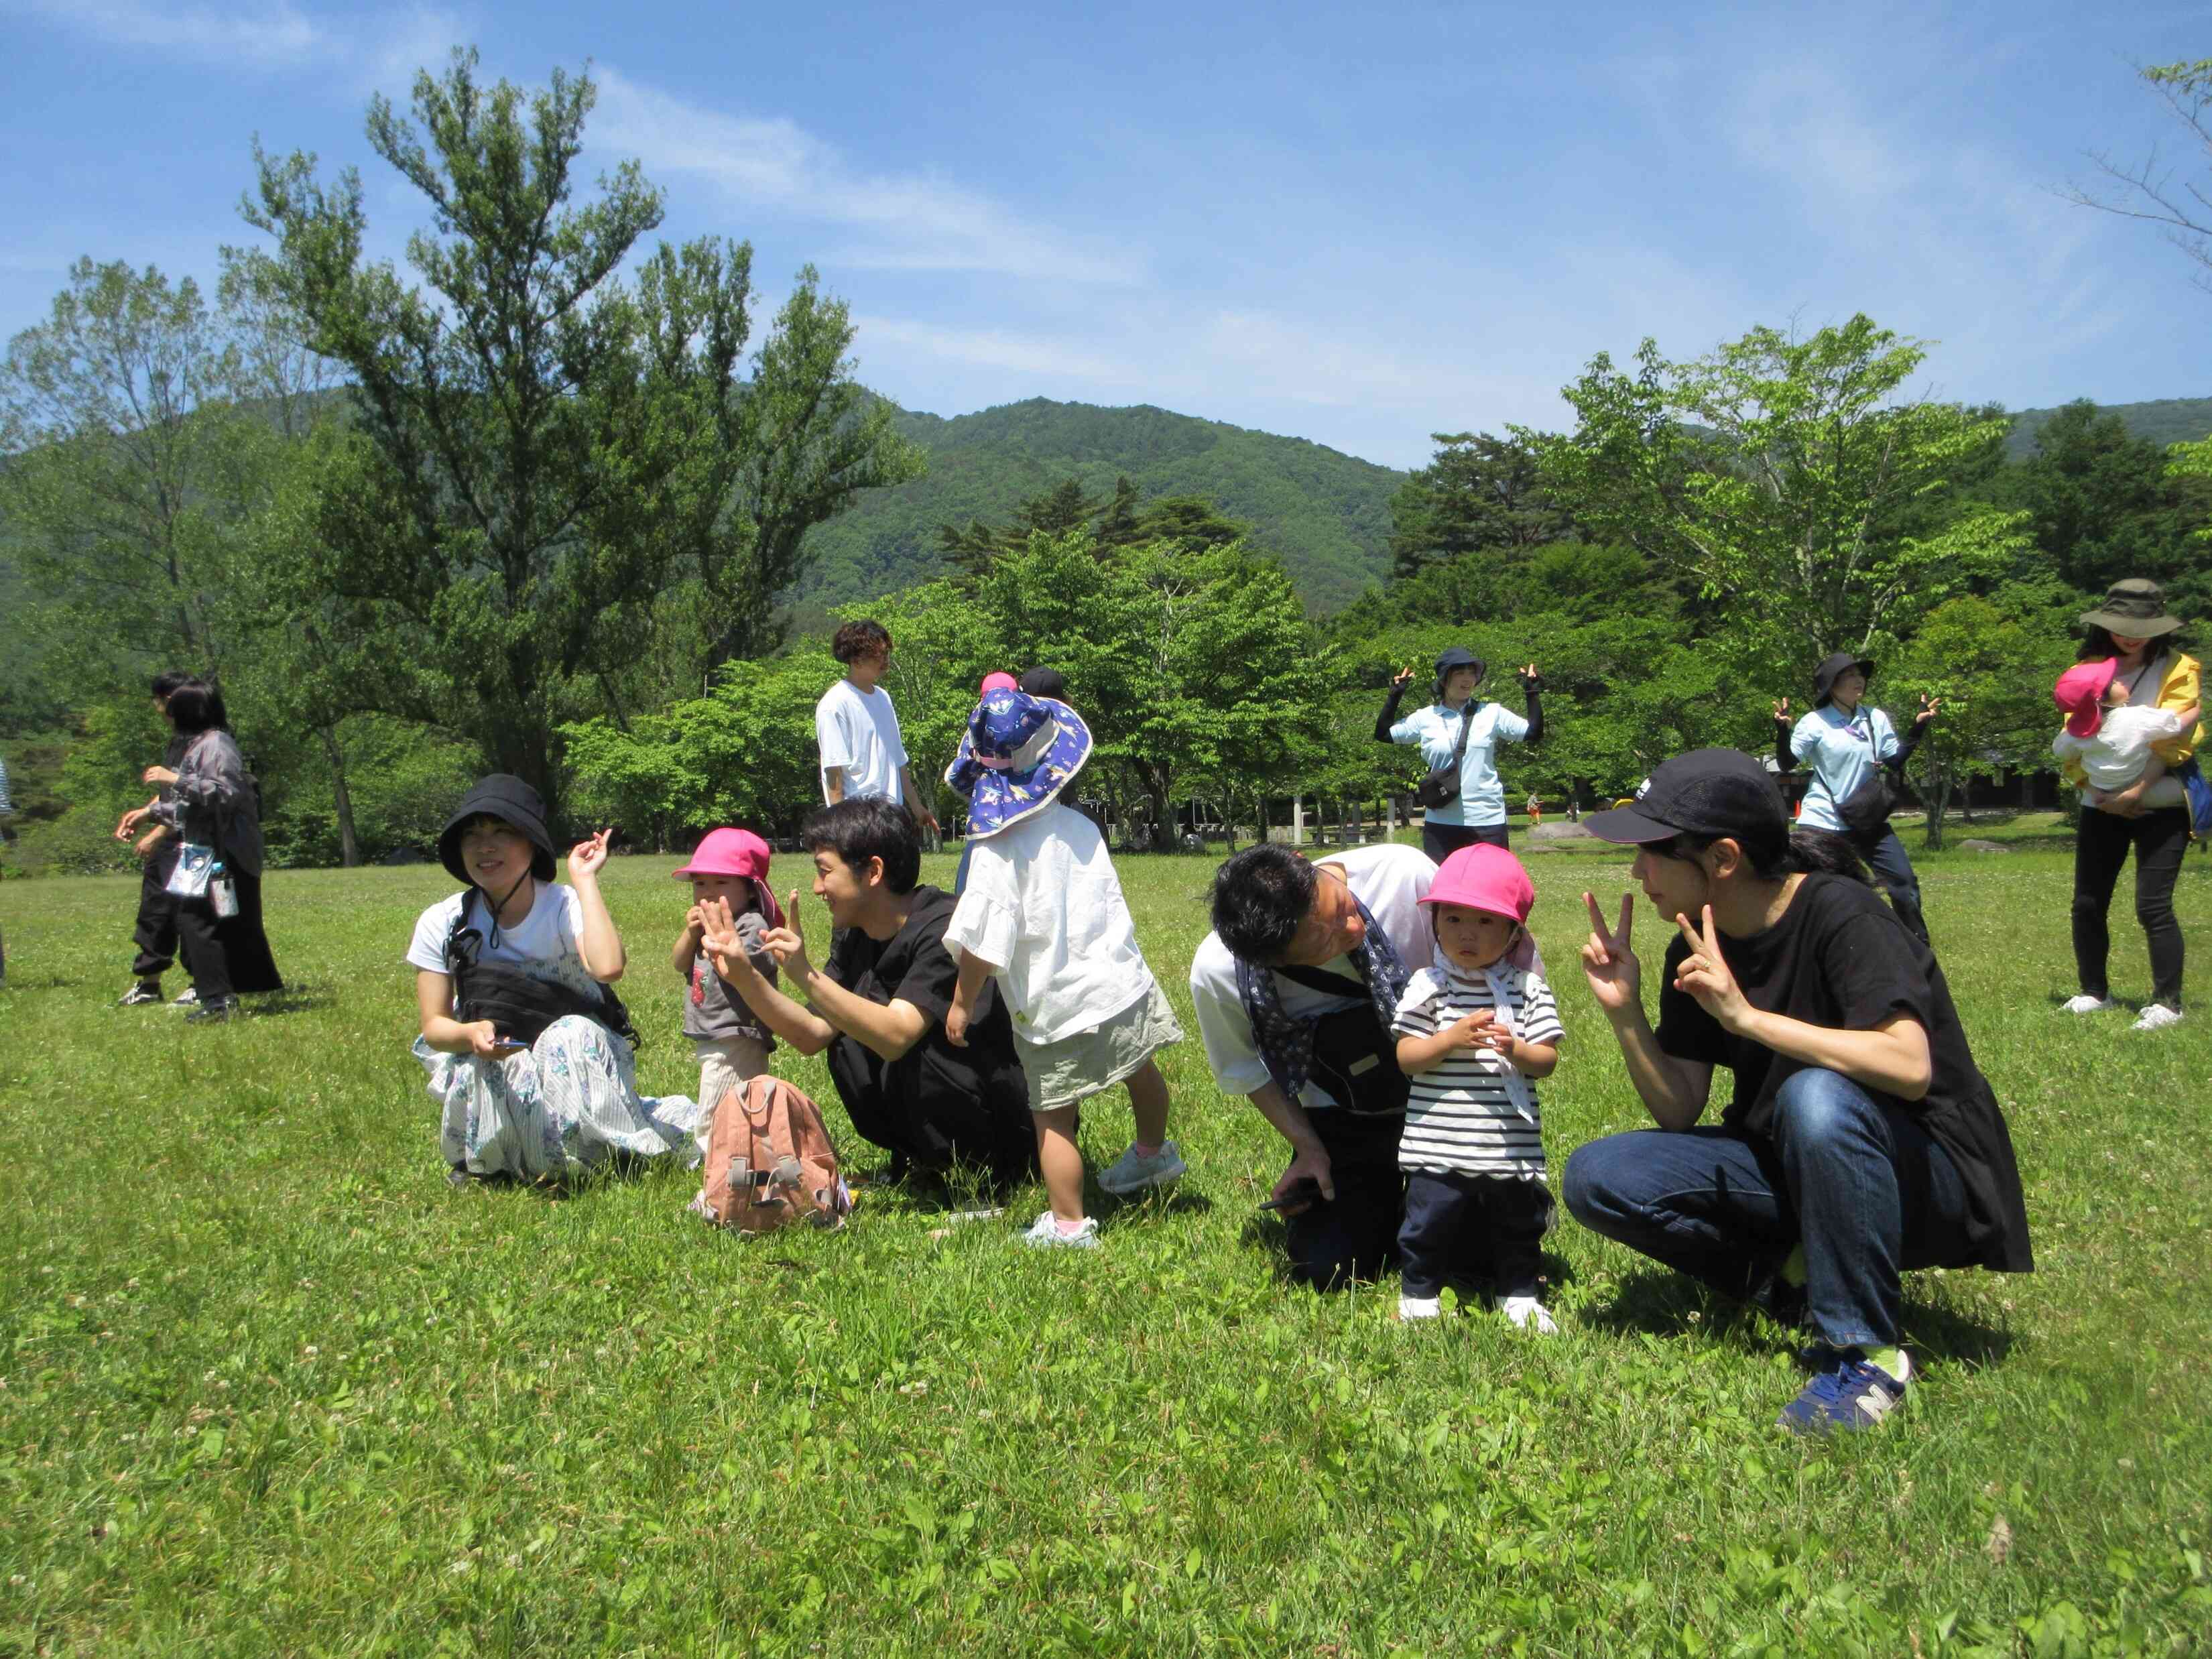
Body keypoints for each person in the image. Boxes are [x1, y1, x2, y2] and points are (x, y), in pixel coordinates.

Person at [1562, 748, 2033, 1436]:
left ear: (1723, 860)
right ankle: (1789, 1282)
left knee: (1815, 1095)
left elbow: (1908, 1065)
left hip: (1927, 1180)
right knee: (1598, 1176)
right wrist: (1624, 1009)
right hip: (1800, 1164)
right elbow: (1677, 1106)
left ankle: (1868, 1356)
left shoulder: (1843, 913)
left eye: (1655, 852)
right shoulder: (1694, 945)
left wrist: (1749, 1021)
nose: (1638, 872)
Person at [942, 687, 1186, 1249]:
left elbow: (985, 935)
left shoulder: (995, 849)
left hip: (1052, 1003)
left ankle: (1070, 1223)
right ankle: (1153, 1153)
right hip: (1119, 982)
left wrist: (962, 1000)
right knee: (1140, 1069)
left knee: (1052, 1113)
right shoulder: (1081, 826)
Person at [704, 797, 1035, 1190]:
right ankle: (924, 1161)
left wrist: (807, 975)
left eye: (824, 871)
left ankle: (981, 1179)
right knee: (846, 1041)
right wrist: (744, 977)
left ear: (873, 871)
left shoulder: (944, 928)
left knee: (907, 1045)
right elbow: (812, 1034)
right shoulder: (855, 932)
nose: (816, 888)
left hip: (1006, 1127)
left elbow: (896, 1037)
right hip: (944, 1110)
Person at [406, 775, 700, 1183]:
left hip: (578, 1054)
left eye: (502, 832)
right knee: (488, 1061)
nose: (485, 846)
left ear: (532, 843)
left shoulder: (563, 904)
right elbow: (435, 1028)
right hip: (499, 1049)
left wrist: (584, 881)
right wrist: (471, 1034)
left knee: (570, 1035)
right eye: (472, 835)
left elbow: (608, 967)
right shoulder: (443, 921)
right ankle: (498, 1163)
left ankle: (581, 1157)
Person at [1192, 840, 1439, 1289]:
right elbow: (1245, 1069)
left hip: (1442, 1098)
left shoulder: (1405, 875)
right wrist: (1308, 1148)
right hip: (1343, 1114)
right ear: (1272, 962)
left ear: (1305, 864)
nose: (1353, 926)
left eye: (1340, 906)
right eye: (1327, 940)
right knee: (1328, 1268)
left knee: (1464, 1253)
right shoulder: (1219, 972)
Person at [1390, 843, 1564, 1331]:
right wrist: (1448, 1039)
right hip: (1437, 1141)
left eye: (1486, 922)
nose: (1467, 932)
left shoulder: (1529, 990)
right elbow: (1407, 1058)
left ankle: (1521, 1294)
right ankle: (1419, 1294)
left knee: (1517, 1225)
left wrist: (1518, 1050)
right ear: (1436, 923)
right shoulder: (1428, 985)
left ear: (1513, 932)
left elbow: (1547, 1060)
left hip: (1507, 1145)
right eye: (1454, 918)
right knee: (1427, 1221)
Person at [2054, 580, 2202, 1032]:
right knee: (2087, 902)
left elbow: (2180, 737)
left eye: (2142, 626)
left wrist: (2137, 790)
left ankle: (2167, 1003)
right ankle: (2094, 990)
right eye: (2122, 626)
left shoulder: (2179, 667)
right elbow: (2076, 738)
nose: (2131, 635)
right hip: (2100, 804)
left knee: (2153, 905)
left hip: (2161, 802)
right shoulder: (2087, 669)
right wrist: (2099, 793)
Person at [1772, 653, 1937, 943]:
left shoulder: (1874, 718)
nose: (1858, 679)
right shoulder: (1815, 722)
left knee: (1903, 882)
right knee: (1805, 886)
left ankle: (1916, 945)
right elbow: (1787, 763)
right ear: (1831, 685)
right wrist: (1782, 731)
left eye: (1860, 674)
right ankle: (1794, 943)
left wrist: (1918, 726)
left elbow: (1895, 760)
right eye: (1849, 675)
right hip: (1822, 819)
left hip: (1866, 817)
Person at [143, 682, 281, 1022]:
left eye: (174, 710)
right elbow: (195, 807)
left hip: (224, 850)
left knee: (201, 921)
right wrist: (151, 813)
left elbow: (225, 795)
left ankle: (218, 1001)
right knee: (199, 920)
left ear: (189, 713)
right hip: (202, 848)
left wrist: (173, 779)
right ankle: (218, 997)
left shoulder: (217, 745)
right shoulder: (200, 745)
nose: (169, 717)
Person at [668, 828, 782, 1150]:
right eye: (700, 883)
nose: (707, 893)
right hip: (712, 1031)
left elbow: (742, 971)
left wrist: (720, 940)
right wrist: (691, 934)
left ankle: (718, 1174)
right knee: (729, 1105)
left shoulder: (752, 926)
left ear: (749, 890)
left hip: (739, 1034)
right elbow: (679, 964)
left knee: (719, 1112)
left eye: (721, 883)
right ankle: (738, 1166)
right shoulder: (701, 926)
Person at [1374, 649, 1545, 861]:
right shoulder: (1426, 717)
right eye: (1459, 673)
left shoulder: (1492, 713)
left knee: (1489, 890)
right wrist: (1394, 695)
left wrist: (1532, 694)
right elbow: (1383, 734)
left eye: (1472, 673)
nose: (1467, 679)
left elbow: (1533, 732)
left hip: (1487, 821)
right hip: (1441, 823)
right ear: (1445, 679)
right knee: (1442, 891)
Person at [111, 670, 200, 1007]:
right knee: (155, 911)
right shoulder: (178, 738)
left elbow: (194, 798)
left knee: (192, 913)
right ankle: (149, 985)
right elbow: (170, 791)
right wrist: (144, 811)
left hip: (193, 839)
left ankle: (199, 982)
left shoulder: (205, 739)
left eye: (157, 700)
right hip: (167, 836)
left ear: (168, 701)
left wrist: (156, 832)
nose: (156, 707)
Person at [814, 619, 939, 835]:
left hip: (892, 814)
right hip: (857, 820)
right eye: (878, 655)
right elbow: (834, 771)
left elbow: (898, 759)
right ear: (856, 659)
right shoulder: (834, 704)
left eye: (887, 654)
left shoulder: (884, 698)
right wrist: (838, 828)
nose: (886, 661)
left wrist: (917, 807)